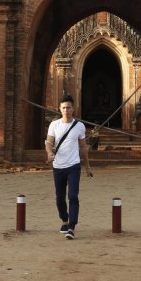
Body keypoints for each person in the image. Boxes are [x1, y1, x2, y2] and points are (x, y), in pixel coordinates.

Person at [45, 94, 93, 240]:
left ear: (73, 109)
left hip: (73, 166)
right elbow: (49, 142)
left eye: (69, 108)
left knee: (72, 196)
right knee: (59, 198)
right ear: (60, 109)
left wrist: (87, 166)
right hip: (58, 166)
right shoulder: (54, 125)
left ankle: (71, 226)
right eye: (64, 108)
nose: (66, 110)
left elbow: (83, 148)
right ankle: (64, 220)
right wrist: (49, 153)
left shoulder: (79, 126)